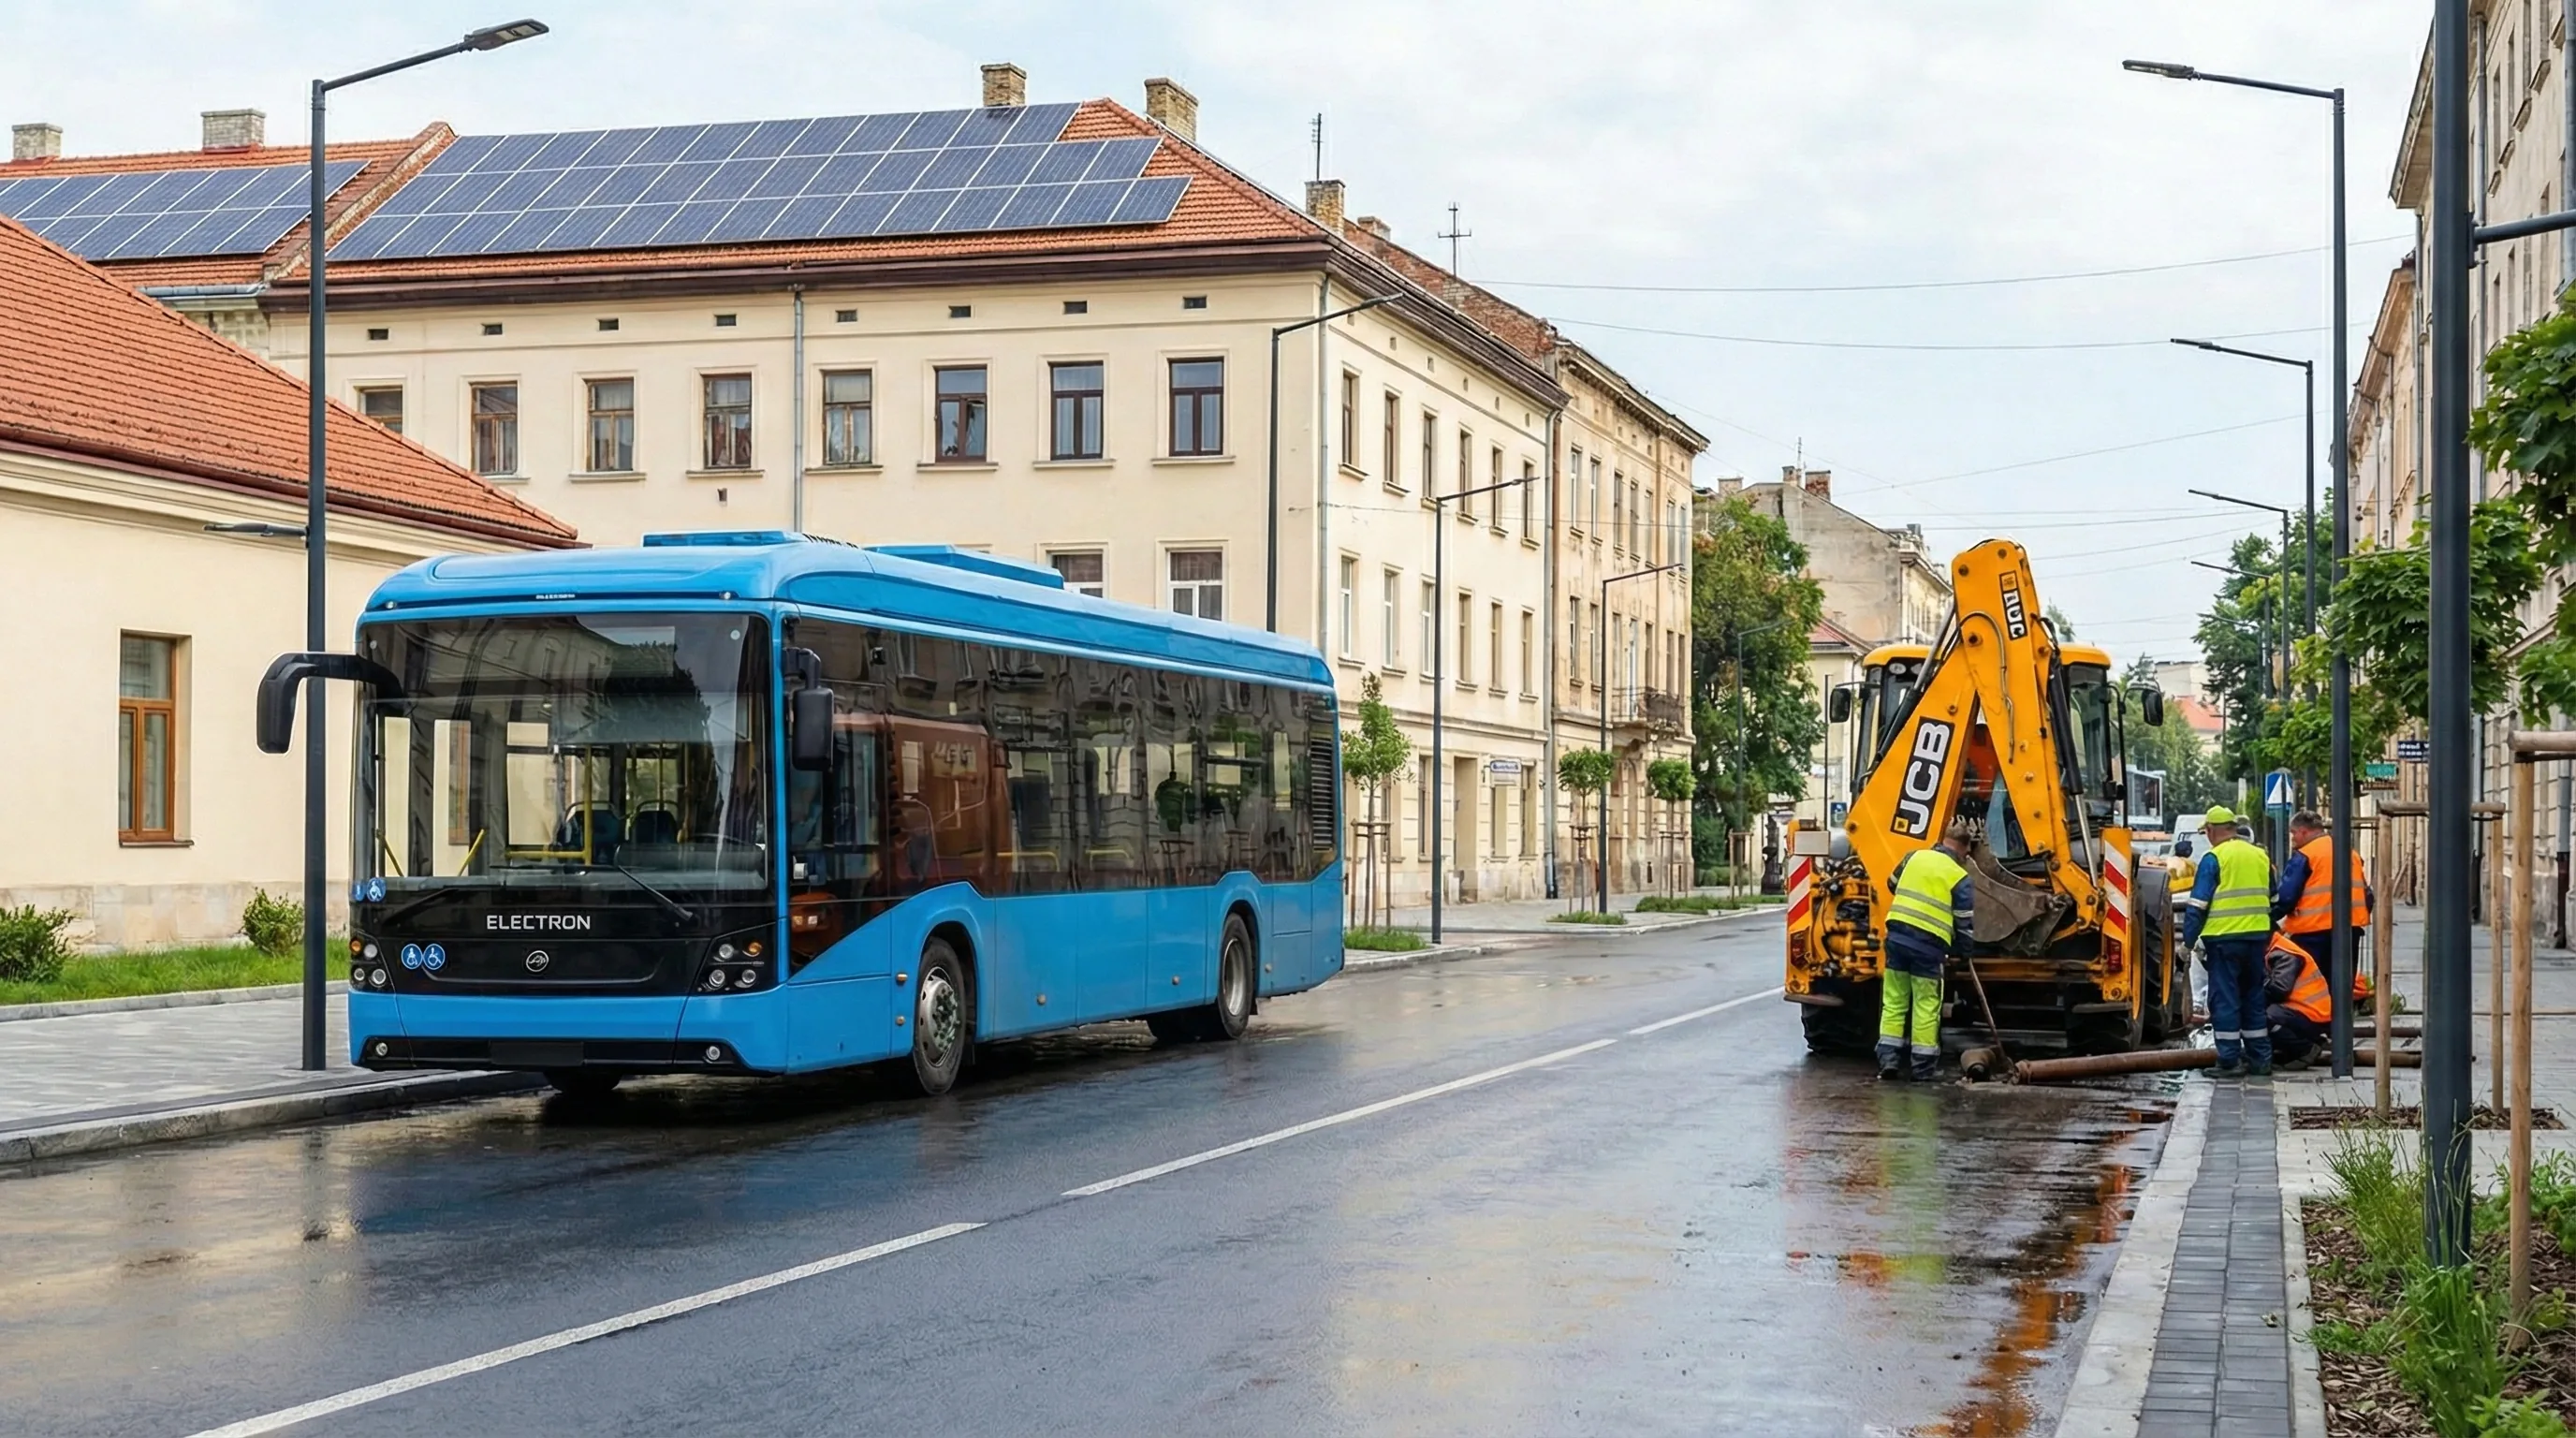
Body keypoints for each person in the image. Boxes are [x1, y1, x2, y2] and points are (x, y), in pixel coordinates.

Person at [2179, 805, 2275, 1077]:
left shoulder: (2213, 859)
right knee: (2253, 997)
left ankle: (2229, 1060)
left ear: (2211, 830)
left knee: (2225, 1000)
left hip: (2223, 942)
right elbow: (2275, 901)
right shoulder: (2260, 856)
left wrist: (2187, 944)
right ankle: (2260, 1060)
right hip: (2256, 940)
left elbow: (2197, 906)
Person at [1879, 819, 1977, 1082]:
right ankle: (1922, 1067)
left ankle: (1888, 1060)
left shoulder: (1914, 857)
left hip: (1896, 938)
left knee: (1895, 1001)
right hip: (1928, 947)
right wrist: (1964, 953)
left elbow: (1891, 883)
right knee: (1925, 1004)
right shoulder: (1959, 876)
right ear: (1963, 849)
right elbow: (1964, 922)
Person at [2274, 808, 2373, 1009]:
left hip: (2312, 933)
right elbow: (2368, 895)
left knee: (2314, 988)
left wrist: (2271, 920)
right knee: (2343, 985)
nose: (2292, 839)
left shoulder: (2306, 855)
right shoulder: (2350, 853)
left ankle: (2320, 1028)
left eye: (2293, 833)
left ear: (2304, 831)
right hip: (2349, 930)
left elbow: (2286, 896)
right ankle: (2341, 1031)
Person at [2262, 928, 2334, 1069]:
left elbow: (2278, 990)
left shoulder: (2283, 953)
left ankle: (2305, 1049)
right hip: (2306, 1012)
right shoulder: (2276, 949)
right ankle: (2296, 1048)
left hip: (2310, 1015)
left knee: (2261, 1017)